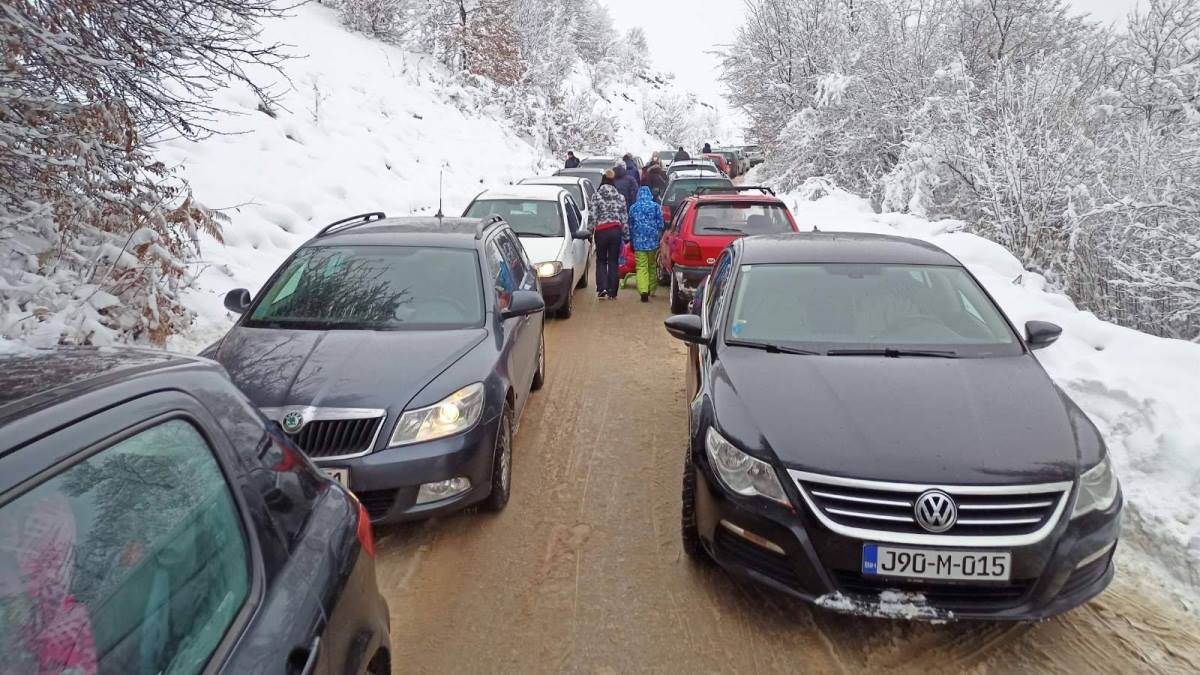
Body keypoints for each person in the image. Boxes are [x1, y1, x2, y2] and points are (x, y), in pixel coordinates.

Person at [592, 171, 629, 300]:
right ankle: (612, 291)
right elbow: (624, 218)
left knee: (601, 260)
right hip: (615, 231)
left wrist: (589, 231)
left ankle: (602, 288)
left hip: (601, 231)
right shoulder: (620, 197)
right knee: (613, 261)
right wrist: (626, 235)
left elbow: (593, 216)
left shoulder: (596, 196)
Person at [628, 186, 666, 302]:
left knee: (641, 267)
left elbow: (630, 225)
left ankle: (643, 290)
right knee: (652, 266)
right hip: (653, 242)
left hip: (639, 242)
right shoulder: (655, 207)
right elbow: (661, 224)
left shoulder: (633, 208)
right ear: (649, 194)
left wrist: (632, 239)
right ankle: (652, 289)